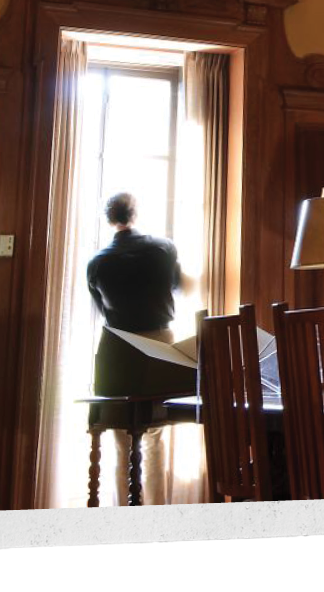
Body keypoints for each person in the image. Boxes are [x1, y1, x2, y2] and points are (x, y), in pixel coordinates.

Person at [85, 191, 185, 506]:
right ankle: (156, 512)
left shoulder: (98, 263)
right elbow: (176, 285)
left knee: (119, 437)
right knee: (156, 436)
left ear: (110, 219)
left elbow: (101, 307)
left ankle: (124, 516)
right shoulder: (164, 249)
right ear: (135, 214)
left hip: (118, 347)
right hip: (158, 342)